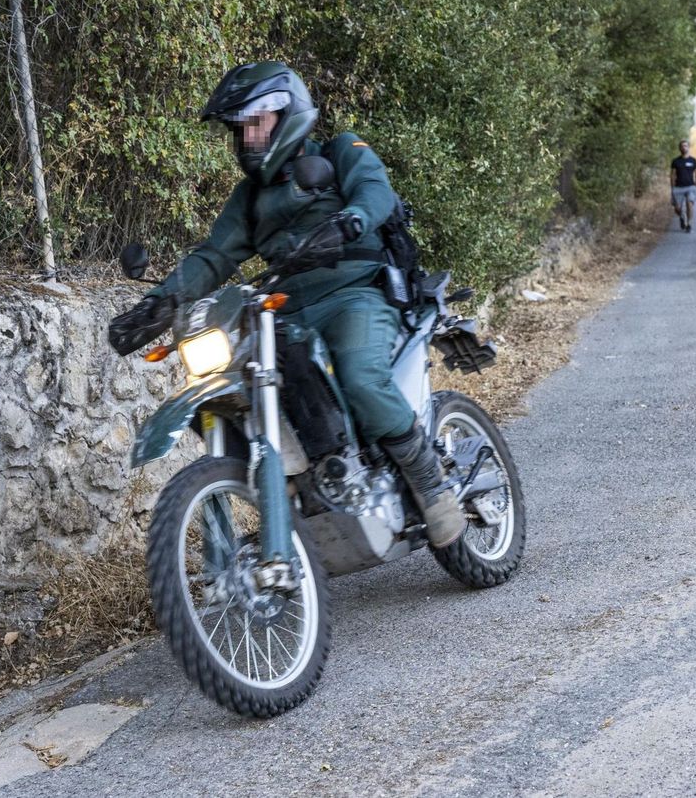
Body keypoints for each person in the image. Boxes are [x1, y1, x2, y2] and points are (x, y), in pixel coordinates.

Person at [106, 62, 466, 547]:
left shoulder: (341, 152)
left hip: (354, 296)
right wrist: (155, 304)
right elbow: (213, 256)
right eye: (240, 129)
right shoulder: (249, 198)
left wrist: (349, 223)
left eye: (256, 124)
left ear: (287, 114)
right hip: (284, 313)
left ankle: (430, 481)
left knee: (360, 376)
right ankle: (293, 500)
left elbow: (375, 192)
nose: (247, 138)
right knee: (243, 394)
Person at [669, 140, 696, 232]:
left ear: (688, 147)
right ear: (680, 148)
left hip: (690, 187)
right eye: (682, 146)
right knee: (677, 209)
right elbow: (672, 175)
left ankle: (689, 224)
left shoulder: (693, 161)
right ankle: (682, 217)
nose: (684, 147)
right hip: (678, 187)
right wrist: (672, 187)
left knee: (689, 204)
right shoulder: (675, 161)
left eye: (686, 146)